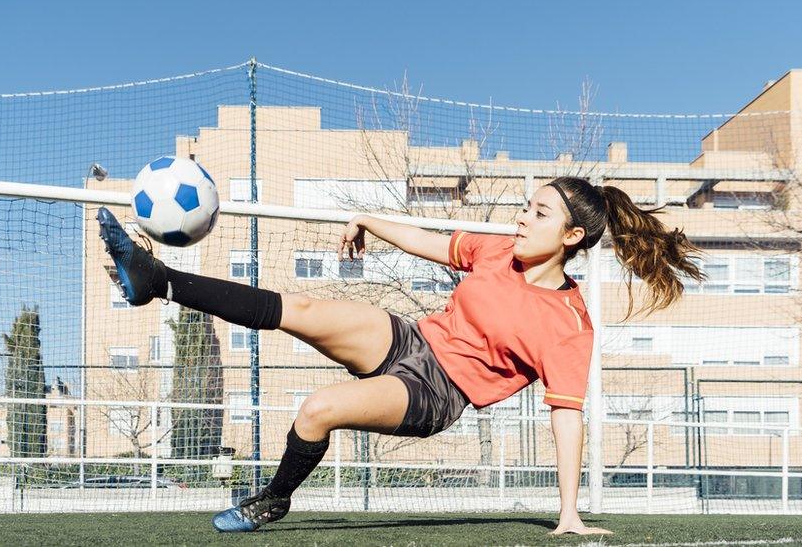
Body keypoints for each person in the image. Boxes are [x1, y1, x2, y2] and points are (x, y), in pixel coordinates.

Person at [96, 176, 704, 535]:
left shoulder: (569, 324)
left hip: (438, 393)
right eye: (527, 205)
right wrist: (367, 218)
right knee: (301, 307)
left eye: (538, 212)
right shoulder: (498, 252)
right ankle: (159, 280)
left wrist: (567, 512)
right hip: (413, 339)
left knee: (317, 409)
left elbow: (566, 415)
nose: (522, 216)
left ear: (571, 237)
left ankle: (274, 498)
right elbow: (430, 242)